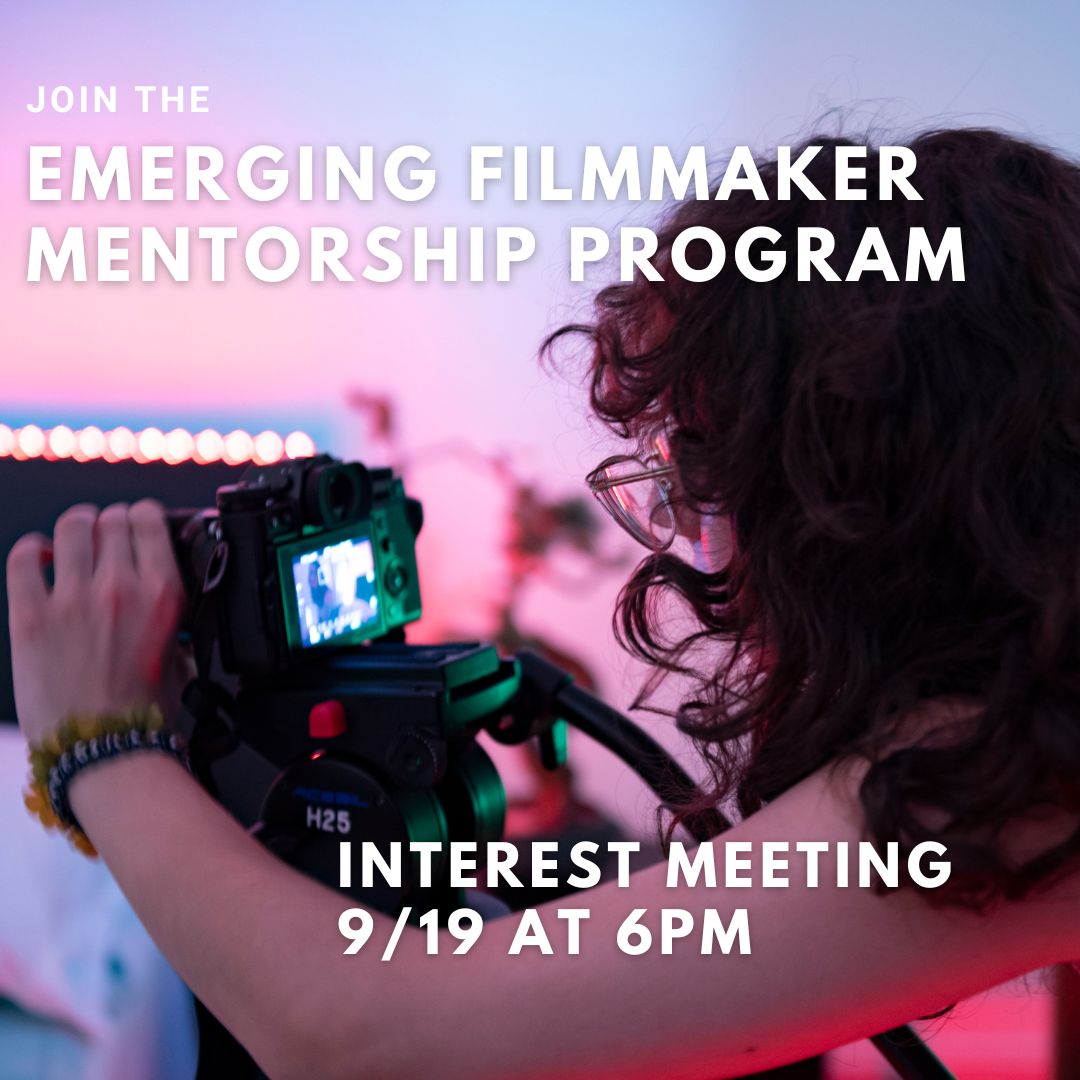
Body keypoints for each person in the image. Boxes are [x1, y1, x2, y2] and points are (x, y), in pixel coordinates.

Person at [8, 127, 1080, 1080]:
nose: (711, 559)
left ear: (862, 494)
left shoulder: (1011, 761)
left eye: (719, 479)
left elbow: (356, 1033)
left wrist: (102, 743)